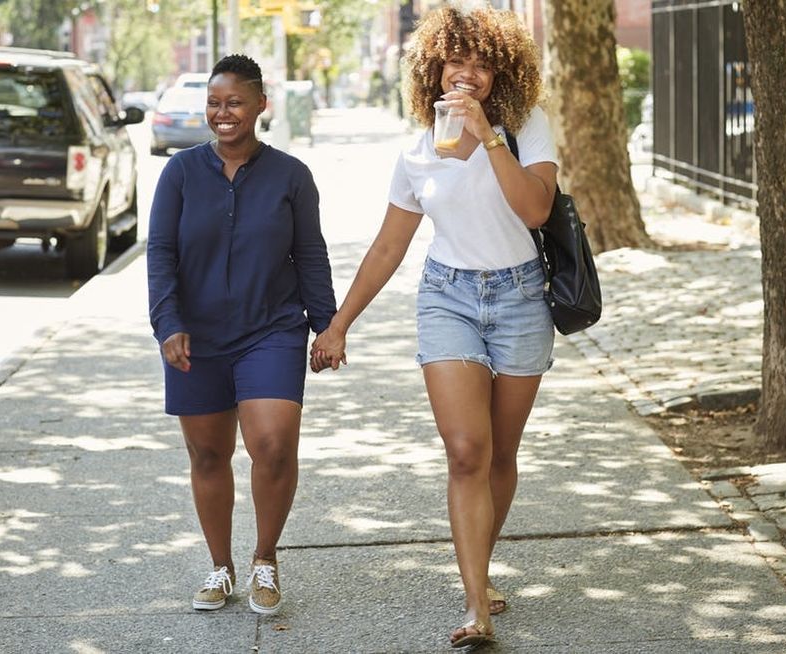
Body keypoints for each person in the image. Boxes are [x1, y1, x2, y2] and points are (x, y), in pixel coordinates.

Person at [311, 5, 557, 648]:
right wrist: (339, 325)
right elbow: (389, 248)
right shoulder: (420, 148)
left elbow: (534, 210)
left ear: (500, 75)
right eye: (457, 62)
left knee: (502, 453)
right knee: (467, 451)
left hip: (521, 296)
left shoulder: (528, 127)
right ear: (434, 68)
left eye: (482, 65)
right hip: (448, 296)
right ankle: (476, 604)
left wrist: (490, 135)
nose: (468, 75)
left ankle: (483, 565)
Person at [147, 54, 336, 615]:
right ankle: (221, 566)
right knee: (208, 454)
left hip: (272, 329)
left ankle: (264, 558)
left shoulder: (291, 176)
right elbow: (161, 255)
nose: (222, 113)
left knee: (273, 445)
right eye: (213, 103)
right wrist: (168, 323)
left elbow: (310, 255)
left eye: (233, 102)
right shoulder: (179, 173)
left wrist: (326, 326)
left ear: (259, 105)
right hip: (196, 338)